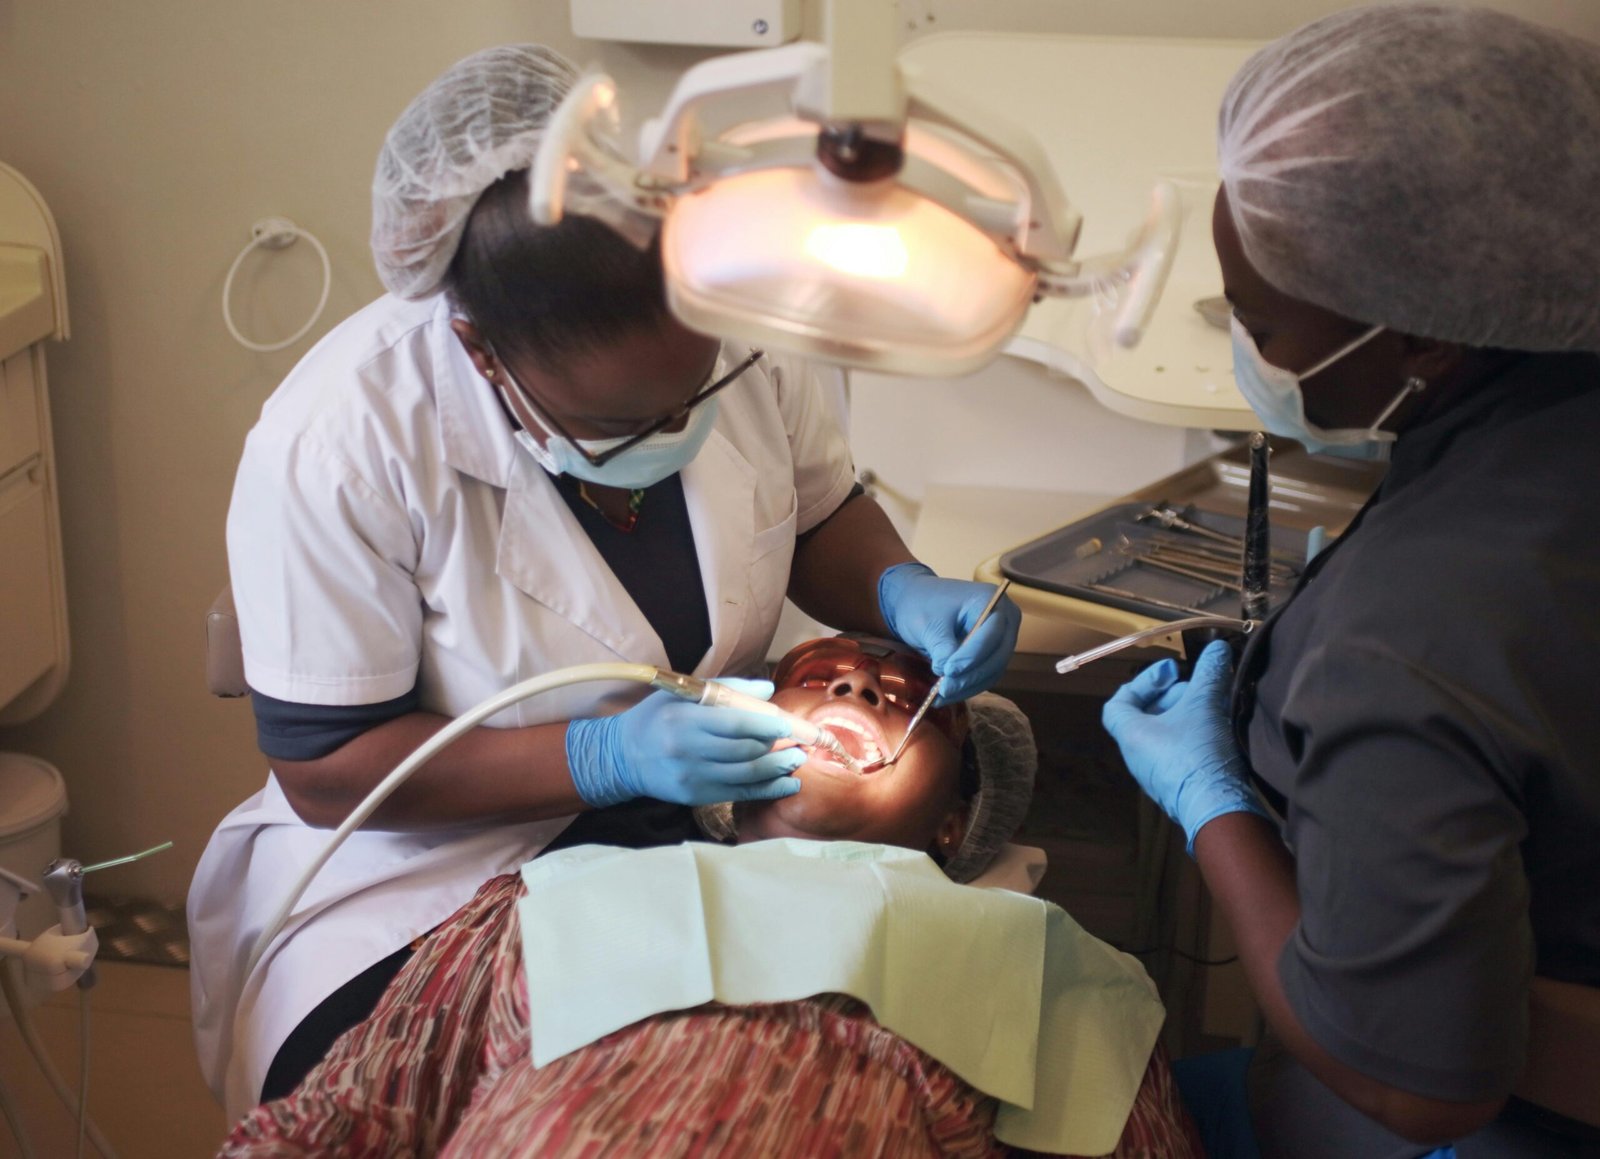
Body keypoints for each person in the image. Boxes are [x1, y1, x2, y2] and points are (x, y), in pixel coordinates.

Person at [187, 45, 1020, 1121]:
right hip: (428, 882)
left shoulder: (743, 319)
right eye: (624, 422)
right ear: (482, 351)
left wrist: (902, 587)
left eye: (698, 386)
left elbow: (814, 509)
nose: (680, 429)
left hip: (677, 855)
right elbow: (327, 771)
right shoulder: (344, 436)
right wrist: (603, 756)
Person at [1099, 7, 1600, 1158]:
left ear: (1425, 341)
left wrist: (1212, 804)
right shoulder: (1535, 407)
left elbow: (1420, 1084)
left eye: (1261, 323)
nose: (1245, 345)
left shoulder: (1408, 636)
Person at [218, 637, 1202, 1157]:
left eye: (900, 699)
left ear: (957, 821)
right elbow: (359, 1113)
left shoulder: (1037, 952)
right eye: (821, 680)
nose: (855, 694)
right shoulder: (550, 894)